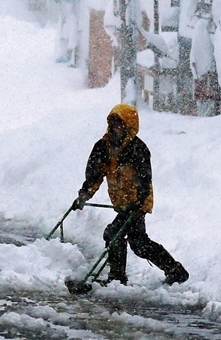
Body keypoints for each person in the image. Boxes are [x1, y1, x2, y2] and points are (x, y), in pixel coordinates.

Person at [73, 104, 188, 286]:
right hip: (123, 203)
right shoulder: (103, 147)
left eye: (119, 124)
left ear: (129, 126)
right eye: (112, 123)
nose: (115, 128)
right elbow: (94, 175)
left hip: (138, 202)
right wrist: (84, 195)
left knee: (114, 234)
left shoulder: (137, 149)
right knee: (139, 244)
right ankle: (175, 270)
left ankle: (117, 278)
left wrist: (139, 201)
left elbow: (144, 180)